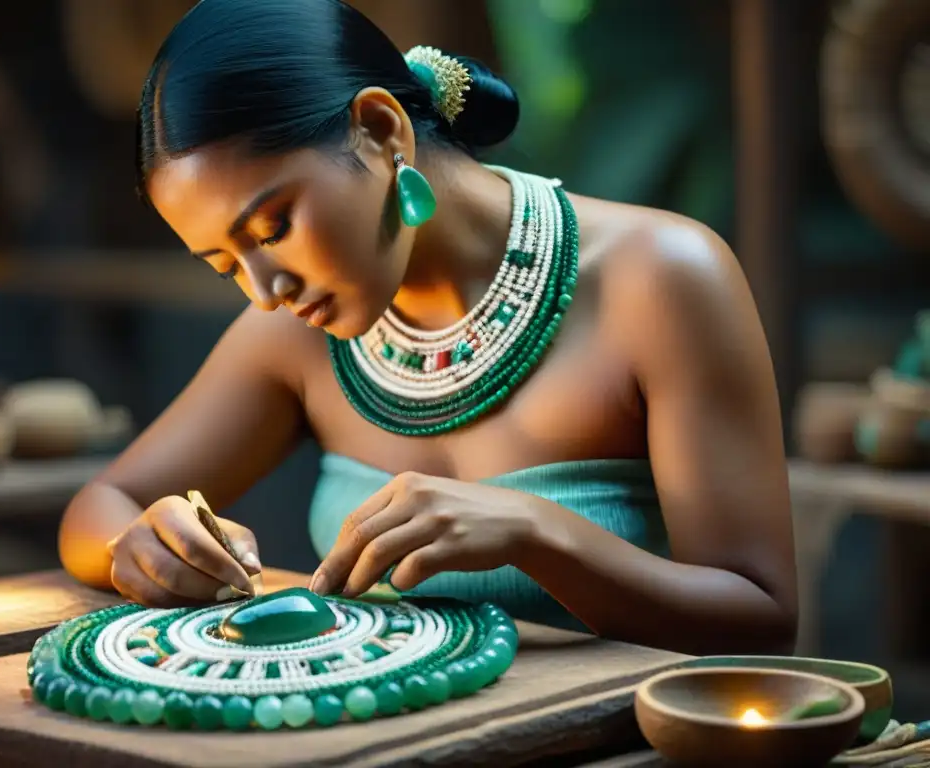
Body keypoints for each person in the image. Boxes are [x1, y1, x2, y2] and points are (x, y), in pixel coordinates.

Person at [59, 0, 797, 655]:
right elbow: (99, 507)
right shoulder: (296, 335)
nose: (265, 290)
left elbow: (760, 618)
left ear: (382, 130)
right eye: (226, 264)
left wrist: (536, 533)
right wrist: (142, 544)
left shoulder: (658, 280)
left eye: (274, 225)